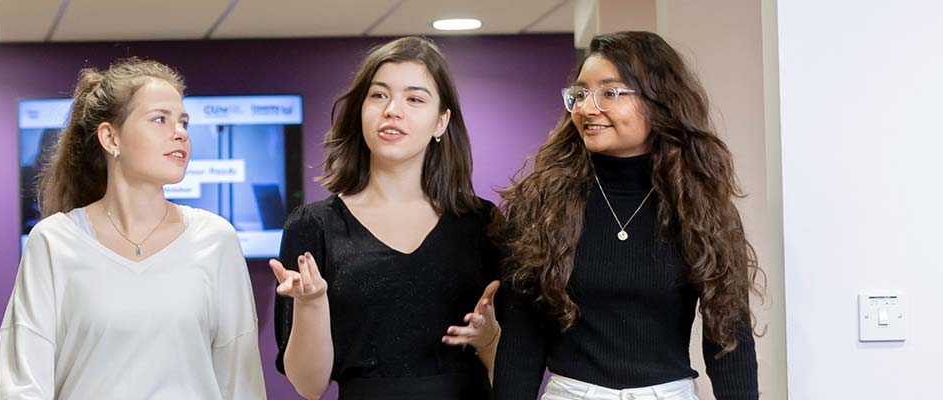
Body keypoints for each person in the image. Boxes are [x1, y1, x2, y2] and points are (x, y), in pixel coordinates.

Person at [492, 31, 762, 400]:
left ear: (659, 101)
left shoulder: (703, 208)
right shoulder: (540, 206)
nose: (587, 108)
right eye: (581, 93)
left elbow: (730, 344)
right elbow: (521, 342)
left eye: (610, 92)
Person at [0, 57, 265, 399]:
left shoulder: (216, 239)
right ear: (111, 138)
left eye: (183, 122)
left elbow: (241, 383)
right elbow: (23, 385)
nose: (179, 133)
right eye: (160, 120)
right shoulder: (53, 241)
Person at [271, 36, 503, 400]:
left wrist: (488, 337)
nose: (392, 110)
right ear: (360, 110)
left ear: (441, 122)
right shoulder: (314, 226)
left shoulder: (481, 223)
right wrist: (311, 302)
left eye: (414, 99)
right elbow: (309, 385)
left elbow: (510, 368)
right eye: (378, 95)